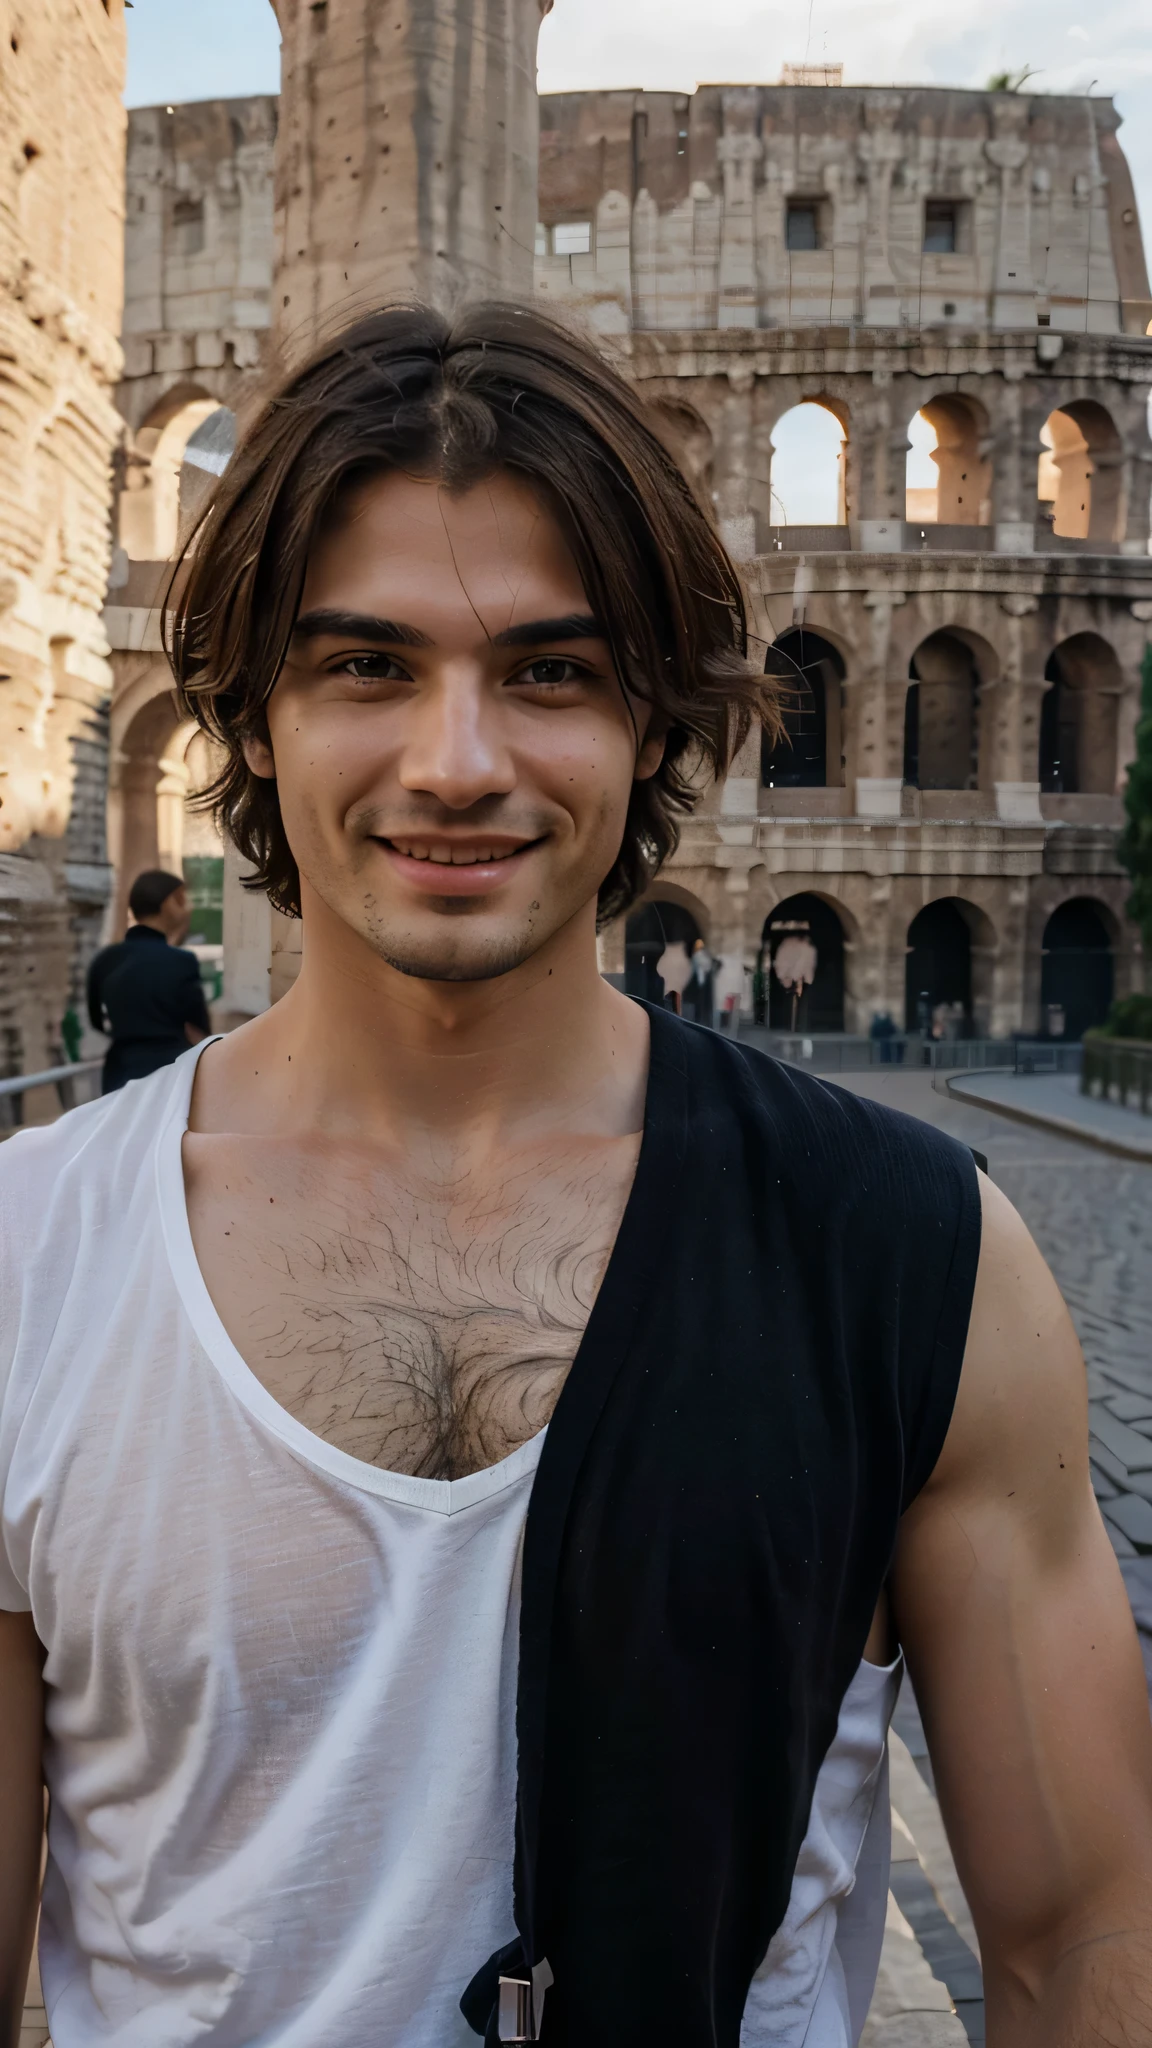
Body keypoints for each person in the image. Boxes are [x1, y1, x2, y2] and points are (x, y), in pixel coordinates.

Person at [1, 303, 1150, 2048]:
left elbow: (1082, 1943)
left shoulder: (920, 1255)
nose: (457, 762)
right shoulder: (22, 1261)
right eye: (364, 665)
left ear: (654, 720)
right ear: (246, 717)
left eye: (548, 670)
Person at [86, 869, 210, 1091]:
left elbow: (96, 1020)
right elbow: (199, 1022)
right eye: (180, 899)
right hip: (168, 1071)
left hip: (119, 1071)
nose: (186, 907)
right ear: (165, 904)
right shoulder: (181, 961)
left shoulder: (106, 959)